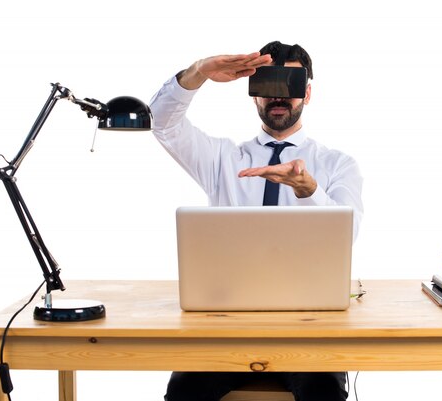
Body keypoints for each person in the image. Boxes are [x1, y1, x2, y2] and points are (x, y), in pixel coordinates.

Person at [150, 41, 363, 401]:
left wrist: (309, 190)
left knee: (324, 392)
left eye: (290, 86)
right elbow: (162, 124)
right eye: (268, 86)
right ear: (253, 94)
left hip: (308, 328)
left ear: (307, 93)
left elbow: (348, 233)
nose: (279, 97)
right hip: (228, 329)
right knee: (183, 392)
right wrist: (198, 72)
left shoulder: (337, 165)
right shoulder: (223, 159)